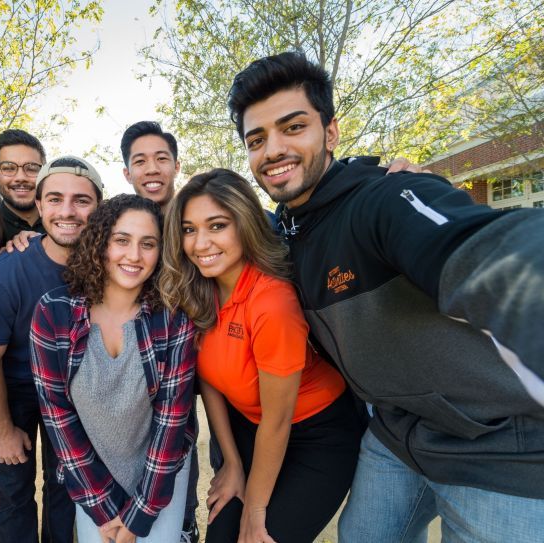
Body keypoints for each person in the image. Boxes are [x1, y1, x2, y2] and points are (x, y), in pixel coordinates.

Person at [227, 51, 544, 542]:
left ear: (330, 133)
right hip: (395, 436)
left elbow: (486, 252)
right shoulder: (281, 236)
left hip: (500, 449)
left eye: (293, 127)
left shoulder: (384, 200)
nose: (273, 149)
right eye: (257, 139)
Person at [160, 169, 362, 542]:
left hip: (317, 435)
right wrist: (233, 463)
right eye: (189, 229)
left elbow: (279, 418)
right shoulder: (198, 291)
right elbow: (209, 376)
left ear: (245, 224)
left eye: (217, 226)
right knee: (220, 535)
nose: (200, 243)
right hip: (252, 429)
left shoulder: (271, 301)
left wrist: (255, 510)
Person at [30, 194, 197, 542]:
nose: (134, 256)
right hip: (91, 480)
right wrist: (105, 508)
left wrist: (142, 513)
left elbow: (171, 420)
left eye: (147, 244)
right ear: (100, 243)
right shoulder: (54, 313)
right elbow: (58, 416)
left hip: (160, 475)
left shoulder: (172, 320)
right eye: (121, 240)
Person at [0, 155, 103, 543]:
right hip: (16, 393)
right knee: (14, 495)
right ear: (40, 204)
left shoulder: (108, 263)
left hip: (74, 397)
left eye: (82, 200)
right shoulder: (9, 269)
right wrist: (2, 430)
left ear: (98, 207)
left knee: (65, 491)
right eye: (55, 199)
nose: (67, 211)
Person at [120, 121, 202, 542]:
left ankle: (185, 527)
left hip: (212, 362)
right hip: (144, 369)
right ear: (127, 173)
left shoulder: (195, 214)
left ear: (175, 165)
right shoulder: (123, 221)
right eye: (140, 160)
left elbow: (251, 219)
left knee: (187, 445)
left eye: (161, 158)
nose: (152, 168)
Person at [0, 128, 48, 237]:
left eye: (31, 168)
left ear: (45, 174)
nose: (21, 177)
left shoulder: (67, 221)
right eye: (8, 168)